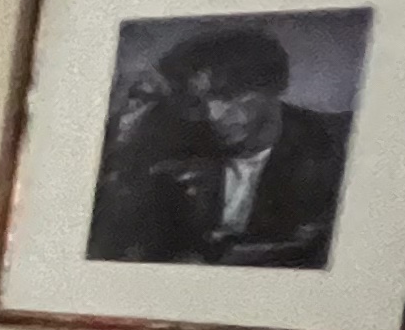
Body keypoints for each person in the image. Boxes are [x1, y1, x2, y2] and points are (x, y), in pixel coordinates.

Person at [86, 23, 350, 266]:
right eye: (199, 101)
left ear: (273, 87)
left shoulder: (332, 148)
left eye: (228, 96)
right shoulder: (173, 150)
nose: (213, 114)